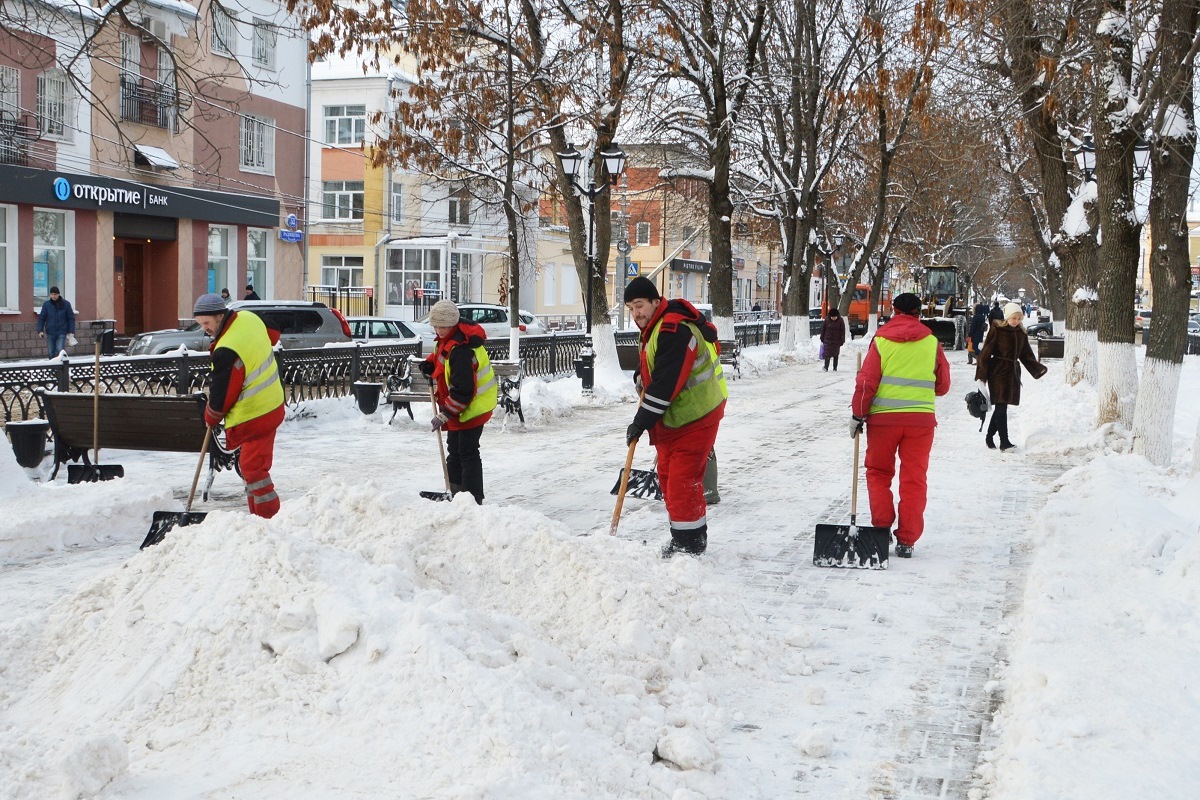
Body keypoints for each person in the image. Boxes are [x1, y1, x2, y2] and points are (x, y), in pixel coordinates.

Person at [623, 276, 728, 558]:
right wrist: (640, 375)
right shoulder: (654, 326)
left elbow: (666, 384)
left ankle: (690, 547)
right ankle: (682, 537)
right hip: (676, 418)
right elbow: (654, 364)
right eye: (631, 308)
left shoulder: (673, 330)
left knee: (683, 481)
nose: (636, 313)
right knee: (668, 477)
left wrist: (640, 422)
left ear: (656, 302)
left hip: (697, 415)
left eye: (640, 305)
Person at [850, 292, 951, 559]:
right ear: (920, 312)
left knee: (878, 473)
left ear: (894, 310)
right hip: (920, 422)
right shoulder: (931, 342)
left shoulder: (881, 340)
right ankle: (907, 540)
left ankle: (881, 529)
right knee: (914, 479)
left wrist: (858, 414)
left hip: (883, 421)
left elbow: (866, 383)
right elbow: (943, 386)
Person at [193, 293, 285, 519]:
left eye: (206, 323)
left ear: (219, 316)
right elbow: (273, 334)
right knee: (250, 467)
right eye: (200, 324)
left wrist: (211, 416)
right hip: (271, 404)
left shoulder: (227, 348)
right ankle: (257, 519)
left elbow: (223, 393)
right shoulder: (249, 318)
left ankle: (268, 520)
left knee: (254, 468)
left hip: (256, 413)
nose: (204, 328)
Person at [419, 299, 497, 504]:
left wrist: (444, 414)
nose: (439, 329)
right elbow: (440, 354)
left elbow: (464, 391)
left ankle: (473, 498)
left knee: (467, 451)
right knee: (454, 449)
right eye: (436, 325)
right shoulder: (448, 339)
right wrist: (428, 365)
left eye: (443, 326)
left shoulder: (462, 350)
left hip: (472, 407)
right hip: (460, 408)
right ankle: (454, 492)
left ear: (453, 323)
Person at [975, 301, 1047, 451]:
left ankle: (989, 436)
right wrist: (981, 375)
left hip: (1012, 372)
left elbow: (1026, 354)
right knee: (1001, 406)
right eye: (1014, 318)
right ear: (1007, 317)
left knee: (1002, 405)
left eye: (1019, 318)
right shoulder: (998, 330)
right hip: (998, 371)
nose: (1016, 321)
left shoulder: (1021, 332)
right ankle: (1004, 442)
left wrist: (1037, 369)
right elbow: (985, 353)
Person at [37, 286, 76, 359]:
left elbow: (71, 318)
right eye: (51, 294)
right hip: (50, 331)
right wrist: (40, 330)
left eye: (55, 294)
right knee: (51, 352)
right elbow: (42, 318)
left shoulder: (66, 304)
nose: (53, 296)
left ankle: (61, 369)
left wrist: (71, 331)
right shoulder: (47, 305)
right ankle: (52, 369)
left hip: (62, 331)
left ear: (58, 294)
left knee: (60, 350)